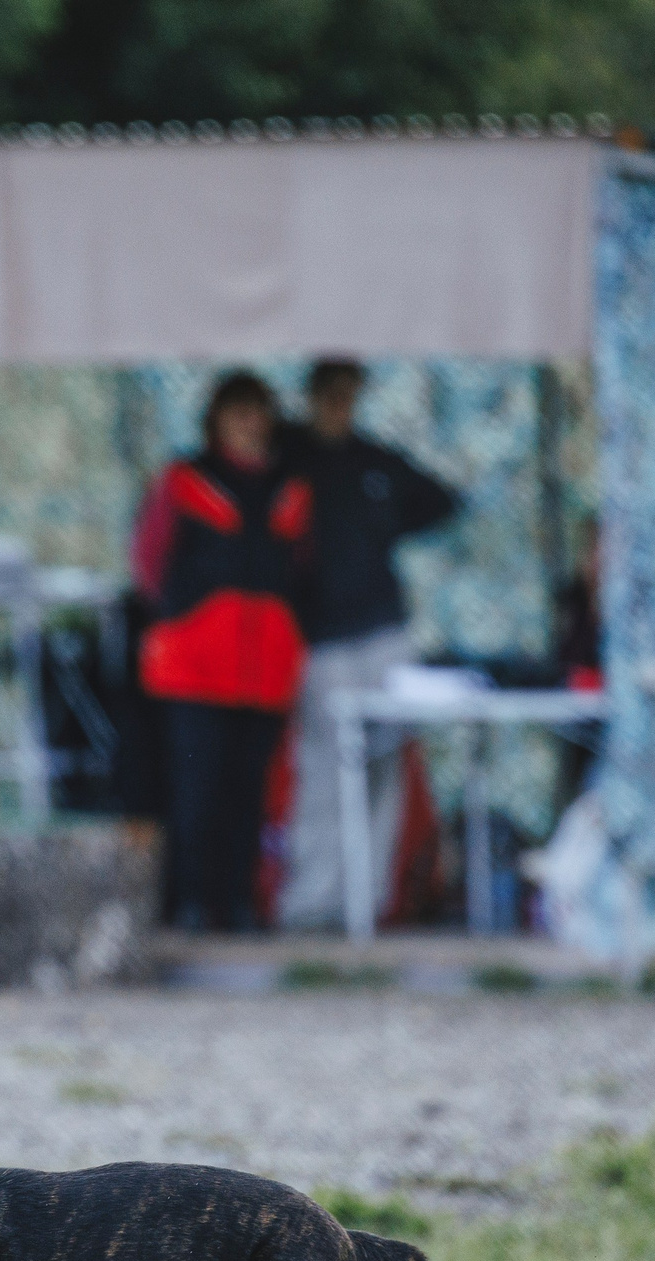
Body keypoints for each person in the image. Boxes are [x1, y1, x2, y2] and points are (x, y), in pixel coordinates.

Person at [272, 359, 461, 932]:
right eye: (328, 393)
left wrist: (382, 525)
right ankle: (314, 905)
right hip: (322, 641)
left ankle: (373, 902)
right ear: (310, 395)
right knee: (324, 771)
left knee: (385, 769)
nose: (339, 404)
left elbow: (441, 499)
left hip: (384, 635)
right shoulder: (289, 458)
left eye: (348, 393)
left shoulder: (375, 461)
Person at [133, 370, 310, 932]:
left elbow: (303, 570)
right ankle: (188, 903)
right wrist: (186, 615)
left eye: (258, 412)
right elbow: (148, 564)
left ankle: (238, 902)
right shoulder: (184, 481)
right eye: (238, 413)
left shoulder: (291, 489)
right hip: (194, 668)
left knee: (250, 791)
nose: (250, 424)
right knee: (195, 789)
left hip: (265, 670)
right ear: (216, 421)